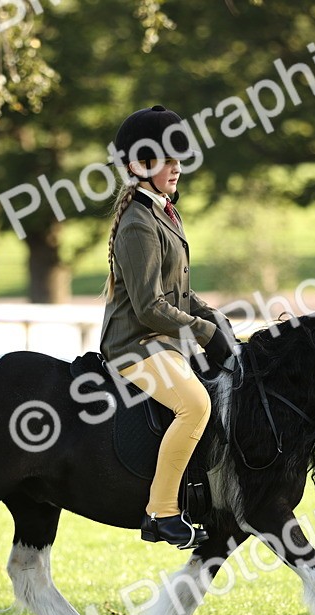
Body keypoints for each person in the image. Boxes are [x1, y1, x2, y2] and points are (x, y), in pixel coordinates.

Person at [98, 105, 236, 549]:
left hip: (162, 339)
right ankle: (161, 513)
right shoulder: (138, 223)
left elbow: (179, 292)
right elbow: (150, 307)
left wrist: (218, 322)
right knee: (195, 406)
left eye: (179, 158)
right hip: (135, 344)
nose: (177, 167)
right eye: (167, 158)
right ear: (139, 165)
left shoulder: (164, 213)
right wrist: (204, 333)